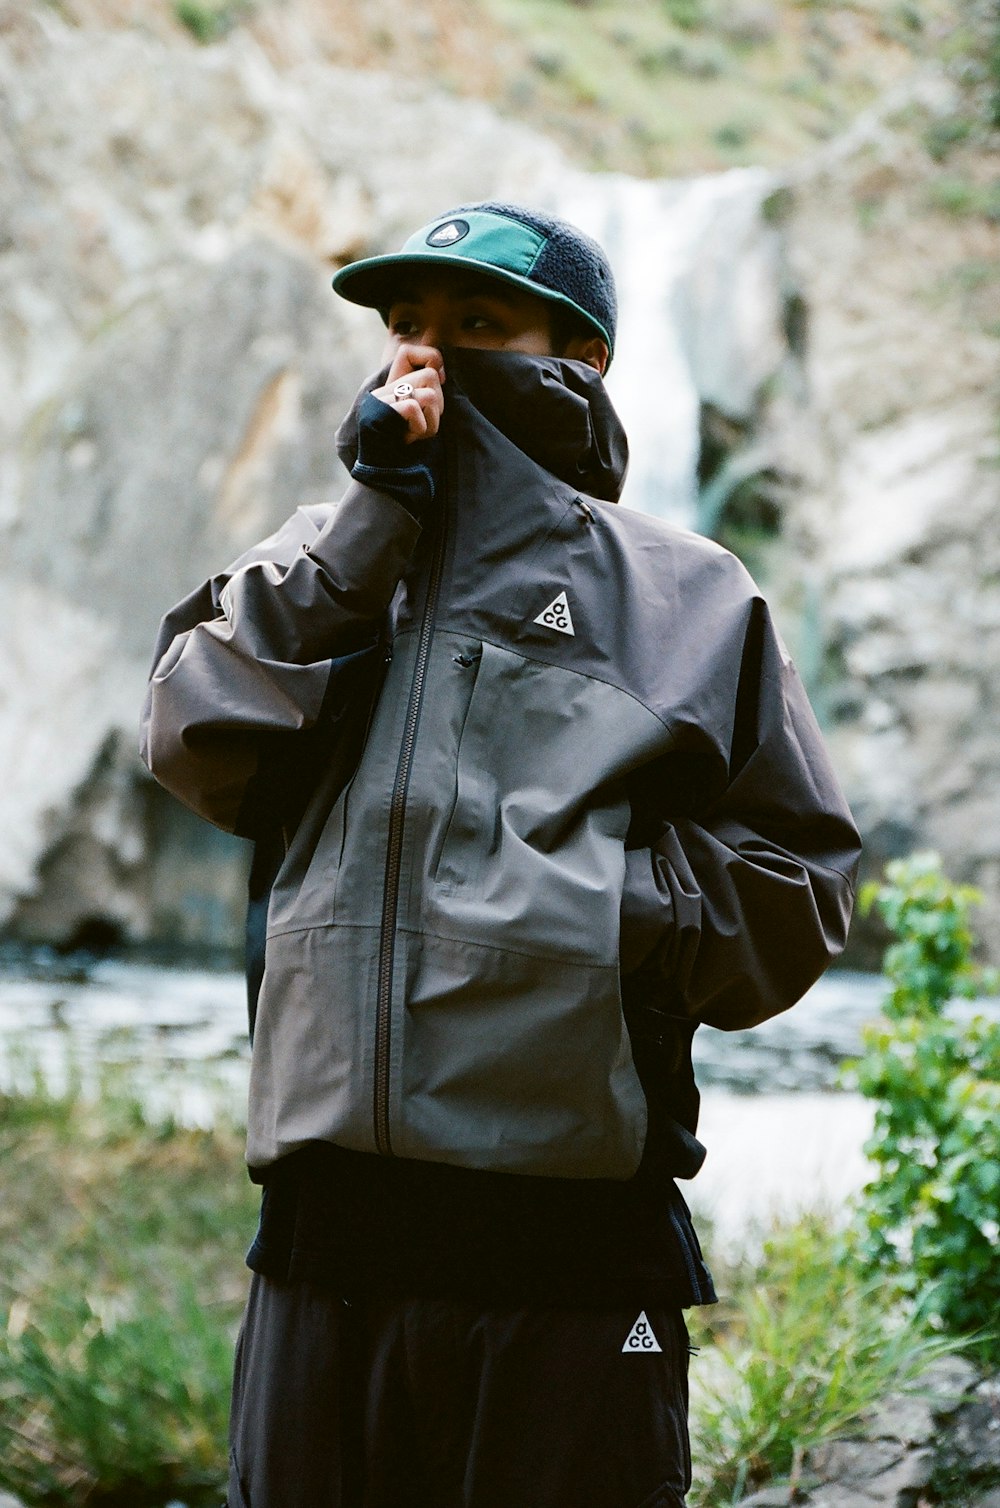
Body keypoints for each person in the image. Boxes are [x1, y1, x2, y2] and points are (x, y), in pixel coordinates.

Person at [141, 201, 861, 1508]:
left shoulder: (693, 599)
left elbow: (800, 899)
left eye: (478, 324)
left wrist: (592, 914)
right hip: (325, 1249)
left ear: (579, 360)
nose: (429, 356)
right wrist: (368, 528)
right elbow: (195, 736)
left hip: (584, 1266)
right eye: (407, 325)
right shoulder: (326, 563)